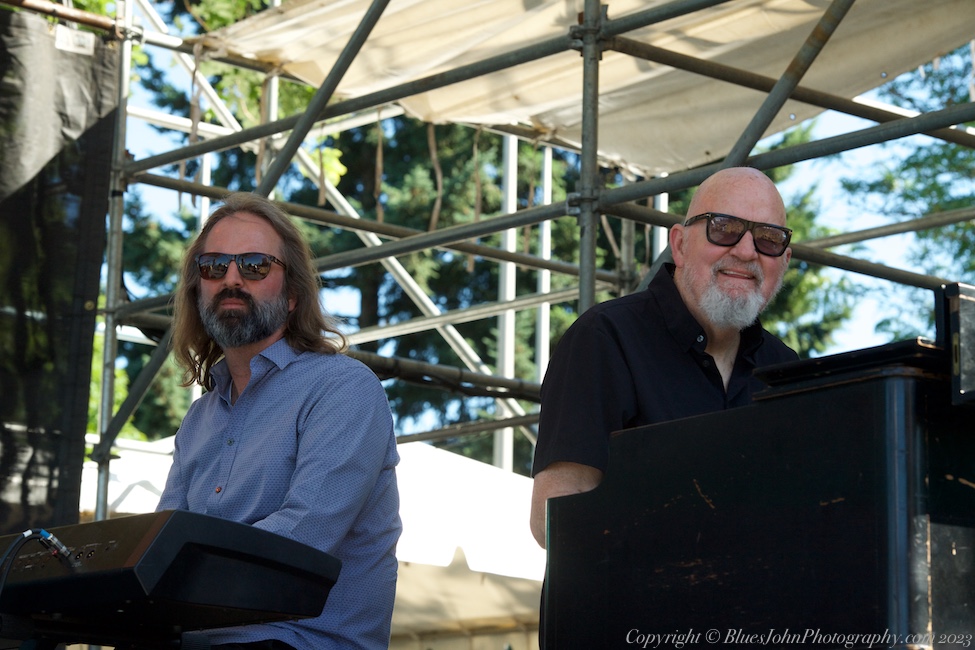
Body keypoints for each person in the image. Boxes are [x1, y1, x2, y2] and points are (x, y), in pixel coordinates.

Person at [157, 193, 401, 649]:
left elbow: (301, 538)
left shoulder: (342, 388)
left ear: (292, 295)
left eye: (254, 265)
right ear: (198, 288)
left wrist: (175, 567)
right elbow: (162, 541)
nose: (231, 279)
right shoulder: (198, 419)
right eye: (213, 266)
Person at [530, 166, 799, 548]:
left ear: (784, 261)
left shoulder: (786, 369)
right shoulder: (605, 338)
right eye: (723, 228)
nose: (745, 250)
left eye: (768, 238)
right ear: (680, 244)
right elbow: (554, 518)